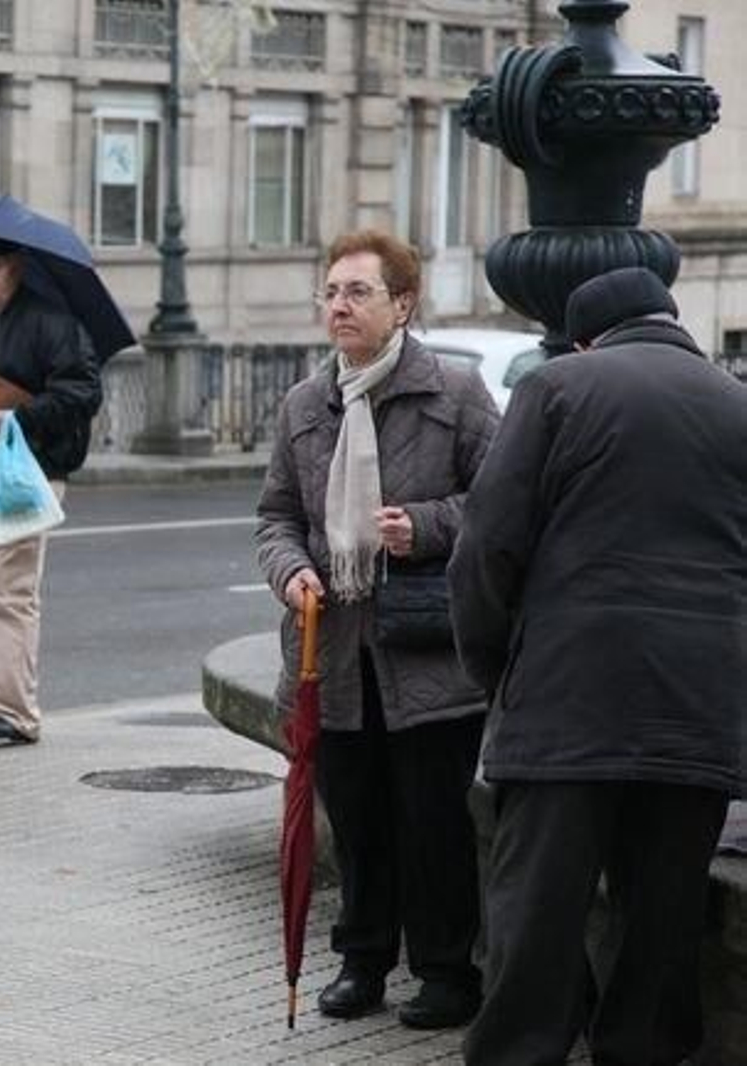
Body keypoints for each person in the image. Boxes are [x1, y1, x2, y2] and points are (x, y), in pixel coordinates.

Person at [452, 266, 747, 1065]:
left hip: (567, 698)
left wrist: (494, 667)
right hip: (698, 704)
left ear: (584, 336)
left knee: (536, 914)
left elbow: (487, 546)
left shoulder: (558, 388)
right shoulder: (738, 404)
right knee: (661, 916)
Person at [254, 229, 499, 1028]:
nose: (339, 306)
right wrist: (290, 570)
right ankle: (361, 962)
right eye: (330, 292)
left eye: (358, 292)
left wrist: (423, 526)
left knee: (433, 824)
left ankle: (445, 971)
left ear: (402, 304)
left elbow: (499, 506)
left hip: (426, 656)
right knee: (355, 824)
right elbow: (276, 517)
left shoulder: (455, 393)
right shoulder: (304, 403)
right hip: (332, 653)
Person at [0, 235, 101, 745]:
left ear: (16, 269)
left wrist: (18, 417)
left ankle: (14, 711)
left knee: (9, 592)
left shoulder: (51, 323)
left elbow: (83, 391)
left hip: (26, 474)